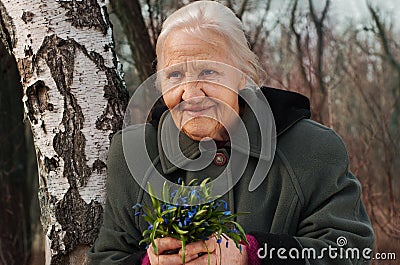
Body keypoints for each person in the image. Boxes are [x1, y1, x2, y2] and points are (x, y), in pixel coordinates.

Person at [88, 1, 374, 264]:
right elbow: (107, 258)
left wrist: (251, 254)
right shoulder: (134, 154)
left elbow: (350, 250)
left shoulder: (311, 149)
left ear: (243, 74)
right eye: (174, 75)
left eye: (209, 72)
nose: (191, 93)